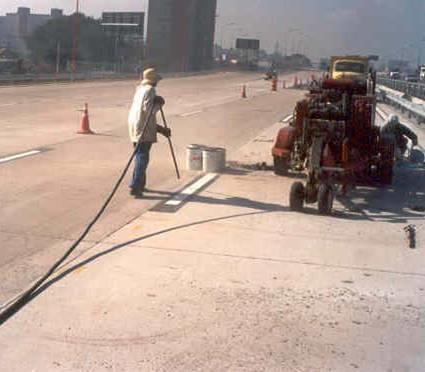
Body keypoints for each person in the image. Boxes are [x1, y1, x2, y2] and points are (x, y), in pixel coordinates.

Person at [128, 68, 171, 198]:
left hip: (134, 125)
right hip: (142, 128)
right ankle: (136, 186)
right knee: (142, 157)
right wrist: (159, 104)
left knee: (140, 155)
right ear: (153, 80)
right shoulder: (150, 90)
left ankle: (139, 184)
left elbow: (144, 114)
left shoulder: (139, 89)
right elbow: (149, 111)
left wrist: (162, 130)